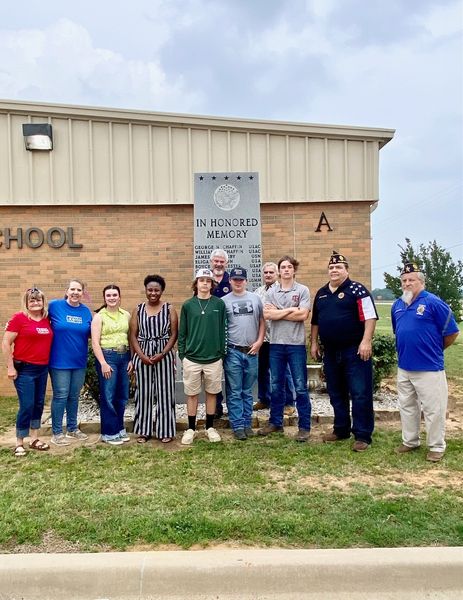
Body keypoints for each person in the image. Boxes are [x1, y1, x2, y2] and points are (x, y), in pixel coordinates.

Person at [391, 262, 459, 462]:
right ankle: (410, 441)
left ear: (421, 281)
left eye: (411, 279)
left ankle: (437, 446)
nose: (407, 283)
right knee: (407, 406)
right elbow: (399, 331)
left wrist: (435, 350)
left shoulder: (433, 302)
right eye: (404, 280)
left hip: (429, 368)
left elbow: (452, 332)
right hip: (404, 367)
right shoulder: (397, 305)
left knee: (433, 409)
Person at [310, 251, 378, 452]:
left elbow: (370, 317)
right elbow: (315, 322)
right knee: (336, 392)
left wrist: (366, 341)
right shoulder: (322, 293)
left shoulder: (358, 290)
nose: (334, 270)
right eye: (331, 267)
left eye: (338, 267)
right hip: (331, 352)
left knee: (359, 393)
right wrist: (314, 343)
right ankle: (341, 429)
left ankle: (362, 434)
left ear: (346, 270)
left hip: (355, 351)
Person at [258, 255, 312, 442]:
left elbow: (303, 315)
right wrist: (291, 310)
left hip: (296, 345)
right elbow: (267, 314)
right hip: (276, 344)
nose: (286, 270)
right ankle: (275, 423)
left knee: (300, 386)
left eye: (290, 267)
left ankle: (304, 427)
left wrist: (279, 312)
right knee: (276, 385)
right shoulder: (272, 292)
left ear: (294, 270)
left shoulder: (302, 290)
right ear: (279, 271)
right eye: (283, 267)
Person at [178, 268, 227, 445]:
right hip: (191, 358)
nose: (205, 283)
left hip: (213, 358)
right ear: (196, 283)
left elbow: (224, 329)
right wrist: (183, 355)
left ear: (212, 284)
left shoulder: (219, 304)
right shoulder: (188, 305)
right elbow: (182, 333)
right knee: (191, 394)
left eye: (208, 280)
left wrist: (222, 352)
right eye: (201, 280)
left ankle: (210, 427)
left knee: (212, 393)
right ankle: (190, 428)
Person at [2, 287, 53, 456]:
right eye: (32, 300)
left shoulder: (47, 319)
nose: (35, 302)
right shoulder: (19, 319)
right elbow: (6, 343)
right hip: (24, 369)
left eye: (38, 300)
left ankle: (34, 438)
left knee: (38, 404)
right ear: (26, 302)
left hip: (42, 368)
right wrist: (10, 367)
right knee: (27, 405)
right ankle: (19, 442)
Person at [130, 275, 178, 444]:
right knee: (143, 393)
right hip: (142, 354)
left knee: (165, 392)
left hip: (163, 355)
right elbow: (133, 336)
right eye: (150, 290)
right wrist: (140, 356)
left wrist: (163, 353)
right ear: (145, 290)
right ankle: (144, 430)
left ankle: (165, 430)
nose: (153, 293)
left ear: (162, 291)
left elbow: (174, 334)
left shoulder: (169, 309)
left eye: (156, 290)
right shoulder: (138, 309)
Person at [48, 279, 92, 446]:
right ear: (67, 291)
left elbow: (90, 334)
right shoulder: (54, 306)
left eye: (79, 290)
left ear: (82, 293)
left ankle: (72, 429)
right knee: (60, 395)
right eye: (72, 289)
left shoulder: (86, 311)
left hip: (79, 361)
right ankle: (57, 432)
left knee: (74, 396)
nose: (75, 292)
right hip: (59, 361)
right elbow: (35, 314)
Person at [222, 267, 265, 440]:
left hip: (252, 351)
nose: (238, 282)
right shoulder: (223, 301)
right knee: (234, 390)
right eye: (235, 279)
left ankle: (247, 423)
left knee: (247, 391)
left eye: (241, 279)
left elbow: (262, 321)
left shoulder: (255, 299)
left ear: (246, 281)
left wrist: (260, 341)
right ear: (230, 281)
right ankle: (237, 425)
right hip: (233, 351)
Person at [91, 285, 133, 446]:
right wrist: (103, 363)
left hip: (124, 357)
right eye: (108, 295)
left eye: (115, 294)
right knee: (108, 396)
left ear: (120, 297)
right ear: (104, 298)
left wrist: (131, 359)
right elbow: (95, 342)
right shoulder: (99, 317)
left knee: (122, 396)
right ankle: (108, 432)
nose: (112, 297)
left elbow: (131, 338)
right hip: (108, 356)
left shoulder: (126, 315)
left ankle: (119, 428)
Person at [254, 262, 296, 415]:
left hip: (278, 337)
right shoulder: (258, 292)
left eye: (271, 272)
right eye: (265, 272)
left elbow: (285, 311)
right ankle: (264, 398)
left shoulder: (282, 290)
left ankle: (289, 402)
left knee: (282, 371)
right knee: (262, 370)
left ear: (277, 274)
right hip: (263, 338)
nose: (268, 275)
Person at [209, 248, 230, 418]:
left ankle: (233, 406)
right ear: (211, 262)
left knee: (231, 372)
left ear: (226, 263)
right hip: (210, 335)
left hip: (229, 333)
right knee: (213, 374)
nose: (218, 264)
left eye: (222, 261)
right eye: (216, 261)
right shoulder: (204, 280)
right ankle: (216, 407)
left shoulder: (232, 281)